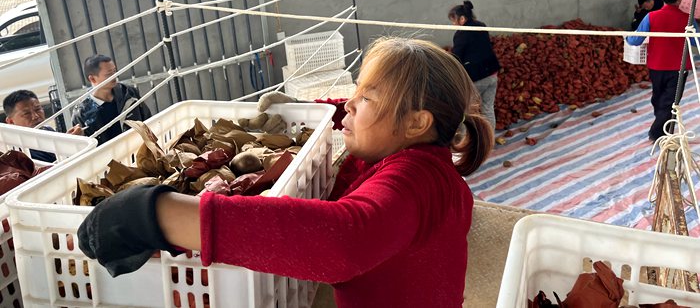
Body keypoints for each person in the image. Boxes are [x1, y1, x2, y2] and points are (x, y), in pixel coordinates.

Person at [77, 37, 494, 307]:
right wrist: (325, 109)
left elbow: (344, 241)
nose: (350, 103)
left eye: (366, 96)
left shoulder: (416, 181)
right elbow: (362, 146)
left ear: (416, 124)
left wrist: (160, 214)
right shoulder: (420, 162)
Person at [627, 0, 696, 141]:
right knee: (669, 102)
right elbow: (694, 40)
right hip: (679, 68)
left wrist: (627, 37)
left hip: (657, 65)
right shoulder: (687, 19)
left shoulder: (651, 17)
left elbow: (635, 40)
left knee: (658, 98)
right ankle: (658, 132)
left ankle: (661, 129)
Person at [72, 54, 151, 145]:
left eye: (115, 71)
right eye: (109, 74)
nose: (115, 76)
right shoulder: (82, 112)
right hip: (108, 158)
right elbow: (82, 146)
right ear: (92, 79)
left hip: (139, 151)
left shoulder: (128, 93)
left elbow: (147, 118)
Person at [448, 0, 501, 129]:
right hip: (492, 74)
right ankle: (490, 140)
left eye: (453, 21)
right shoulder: (481, 26)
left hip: (477, 78)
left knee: (466, 112)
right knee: (488, 108)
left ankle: (468, 143)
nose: (453, 24)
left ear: (462, 18)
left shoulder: (461, 35)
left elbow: (456, 57)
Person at [3, 89, 83, 162]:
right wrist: (70, 145)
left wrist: (69, 140)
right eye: (26, 113)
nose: (35, 116)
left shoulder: (47, 130)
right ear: (11, 121)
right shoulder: (21, 153)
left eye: (38, 109)